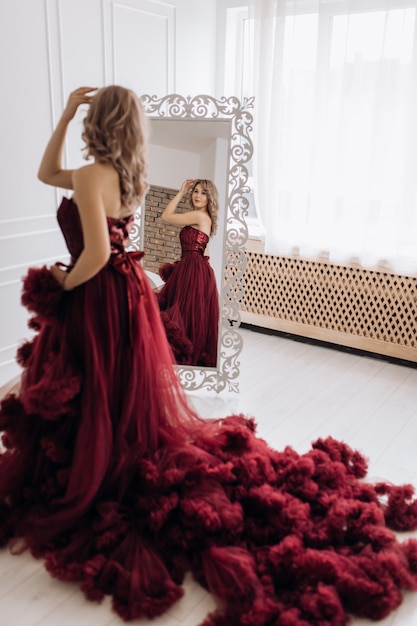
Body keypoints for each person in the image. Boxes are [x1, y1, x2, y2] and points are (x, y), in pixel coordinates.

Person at [1, 85, 417, 626]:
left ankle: (94, 467)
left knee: (94, 380)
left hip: (97, 293)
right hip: (127, 292)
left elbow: (92, 246)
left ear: (95, 124)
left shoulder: (87, 176)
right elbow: (80, 210)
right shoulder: (129, 180)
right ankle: (108, 455)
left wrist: (61, 281)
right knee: (118, 384)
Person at [157, 179, 220, 367]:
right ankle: (182, 356)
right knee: (186, 313)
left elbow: (166, 216)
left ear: (210, 198)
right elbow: (206, 252)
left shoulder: (199, 217)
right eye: (195, 191)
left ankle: (179, 356)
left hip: (193, 267)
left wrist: (180, 192)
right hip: (194, 267)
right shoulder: (205, 218)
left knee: (182, 312)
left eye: (203, 193)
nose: (197, 195)